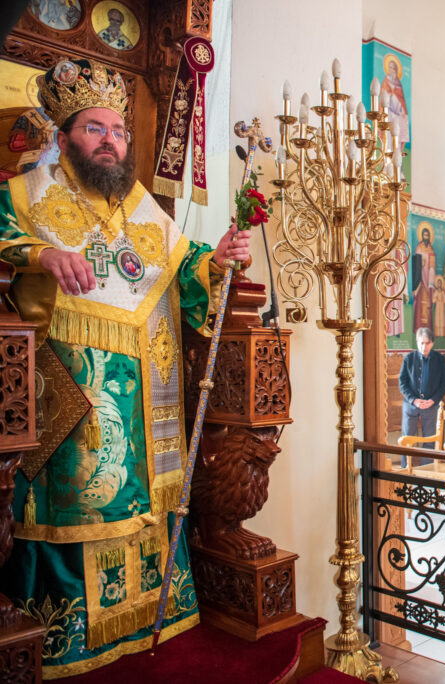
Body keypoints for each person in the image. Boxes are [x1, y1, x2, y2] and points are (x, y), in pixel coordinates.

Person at [0, 58, 250, 675]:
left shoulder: (139, 204)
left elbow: (183, 265)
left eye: (117, 130)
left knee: (140, 500)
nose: (110, 140)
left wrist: (215, 259)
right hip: (68, 389)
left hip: (143, 398)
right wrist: (40, 254)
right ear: (64, 139)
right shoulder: (26, 193)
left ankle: (146, 617)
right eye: (95, 129)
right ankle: (69, 635)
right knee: (78, 501)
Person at [398, 327, 445, 458]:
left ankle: (427, 468)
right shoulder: (409, 358)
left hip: (431, 405)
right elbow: (402, 383)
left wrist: (434, 400)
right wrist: (413, 400)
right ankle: (405, 467)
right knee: (406, 439)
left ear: (432, 343)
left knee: (430, 440)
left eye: (427, 343)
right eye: (421, 343)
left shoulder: (440, 359)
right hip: (411, 405)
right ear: (417, 342)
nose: (424, 346)